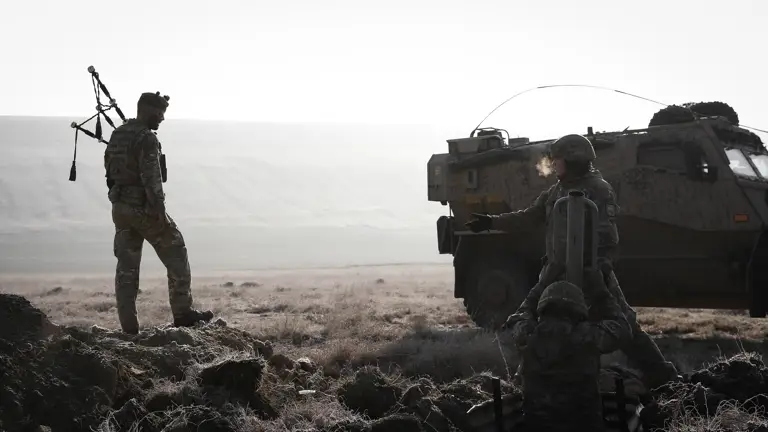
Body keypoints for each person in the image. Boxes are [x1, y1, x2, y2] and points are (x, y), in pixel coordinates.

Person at [465, 133, 680, 389]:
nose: (554, 165)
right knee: (537, 323)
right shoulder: (556, 191)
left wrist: (594, 274)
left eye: (558, 160)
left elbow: (606, 237)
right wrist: (491, 222)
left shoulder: (598, 190)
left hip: (591, 272)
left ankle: (664, 379)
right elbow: (529, 217)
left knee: (626, 326)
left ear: (573, 161)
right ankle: (525, 384)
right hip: (555, 270)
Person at [103, 91, 213, 335]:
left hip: (120, 207)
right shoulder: (146, 139)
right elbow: (152, 179)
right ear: (145, 110)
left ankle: (129, 329)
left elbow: (110, 172)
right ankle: (183, 314)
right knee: (176, 249)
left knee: (127, 269)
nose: (162, 118)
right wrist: (159, 212)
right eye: (159, 113)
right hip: (143, 208)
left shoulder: (118, 134)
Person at [514, 279, 632, 432]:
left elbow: (519, 315)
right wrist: (600, 290)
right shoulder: (591, 336)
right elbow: (623, 329)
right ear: (579, 311)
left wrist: (541, 284)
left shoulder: (527, 334)